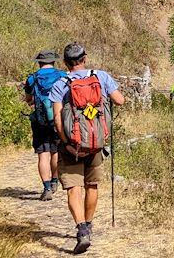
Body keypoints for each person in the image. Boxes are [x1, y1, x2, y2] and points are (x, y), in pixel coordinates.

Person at [49, 43, 125, 254]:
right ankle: (89, 224)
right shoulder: (101, 76)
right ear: (85, 58)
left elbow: (56, 118)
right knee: (92, 185)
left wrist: (66, 142)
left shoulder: (60, 83)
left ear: (65, 63)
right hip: (95, 143)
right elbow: (120, 100)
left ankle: (81, 229)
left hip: (71, 144)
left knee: (74, 188)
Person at [24, 50, 66, 201]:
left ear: (39, 62)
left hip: (40, 121)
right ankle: (55, 181)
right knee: (55, 152)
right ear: (54, 62)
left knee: (43, 154)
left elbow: (29, 99)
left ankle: (47, 187)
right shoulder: (62, 76)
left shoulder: (32, 78)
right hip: (57, 119)